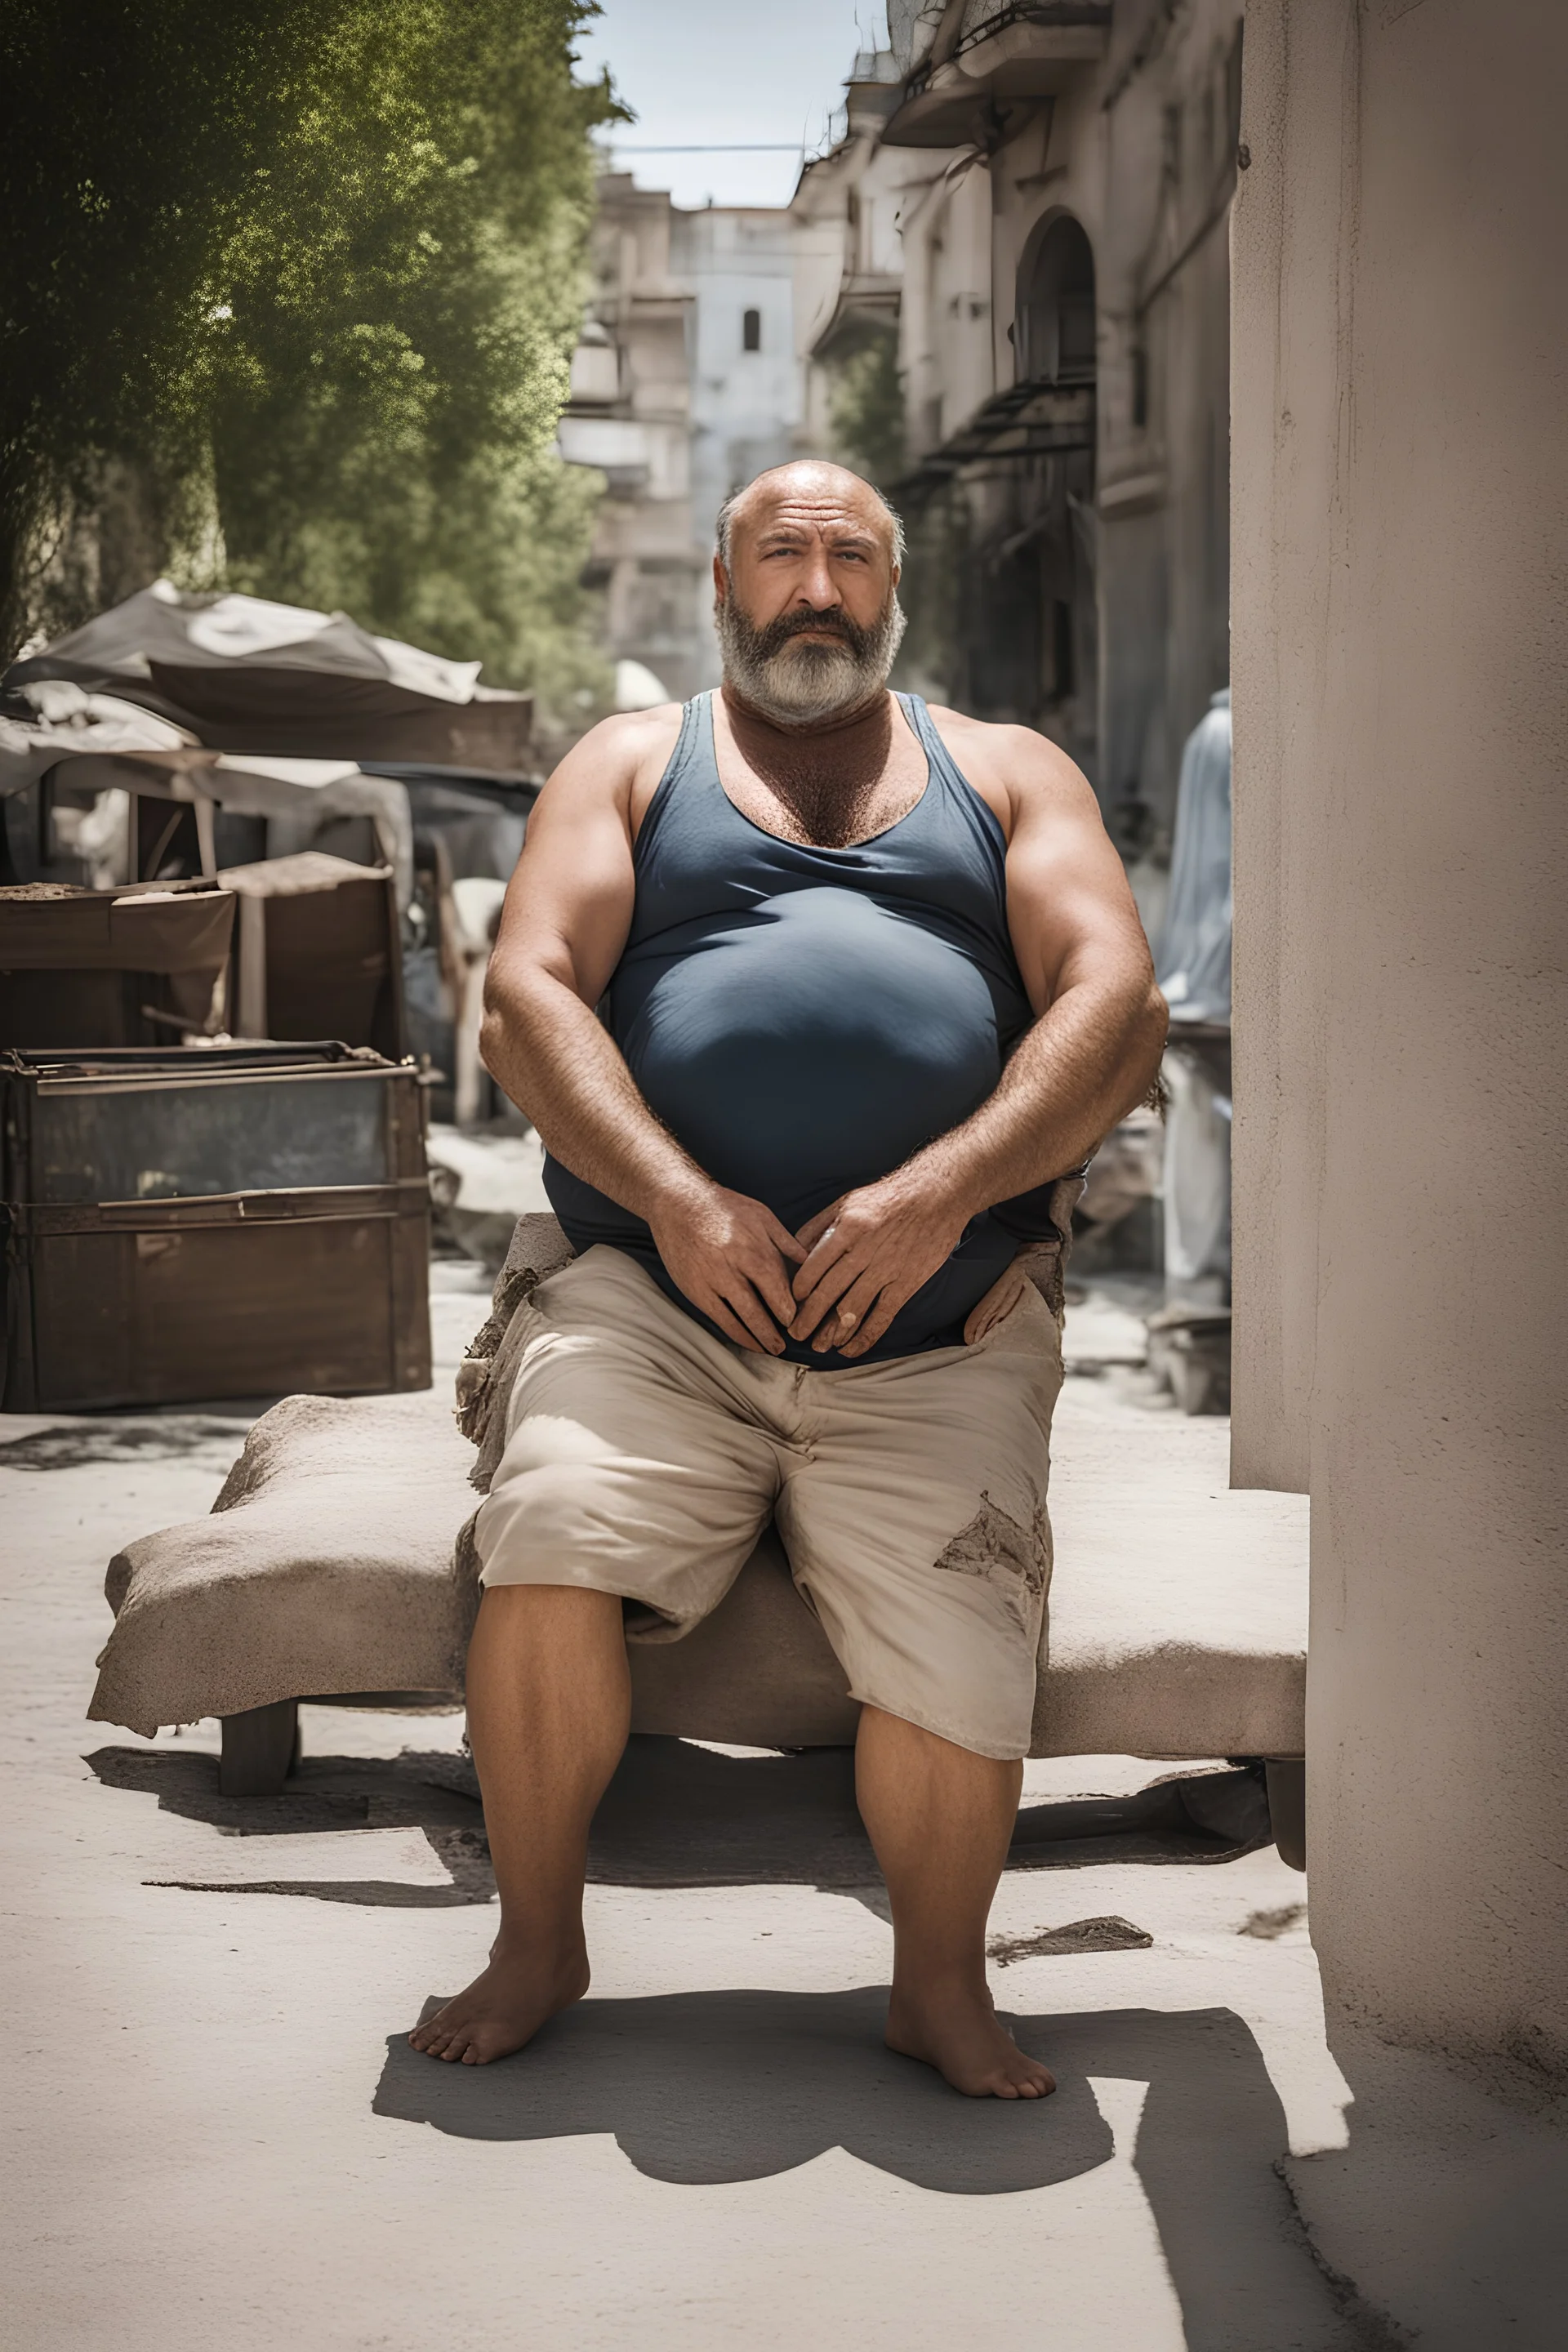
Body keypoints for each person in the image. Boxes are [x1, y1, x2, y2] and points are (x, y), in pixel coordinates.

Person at [409, 461, 1166, 2096]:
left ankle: (937, 1987)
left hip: (938, 1327)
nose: (817, 589)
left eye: (849, 558)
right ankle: (538, 1938)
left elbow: (1116, 1004)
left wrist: (939, 1188)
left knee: (967, 1625)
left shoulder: (1008, 774)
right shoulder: (631, 766)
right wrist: (681, 1203)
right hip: (650, 1304)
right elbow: (528, 997)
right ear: (721, 581)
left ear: (896, 589)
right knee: (545, 1526)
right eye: (783, 556)